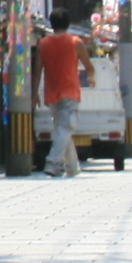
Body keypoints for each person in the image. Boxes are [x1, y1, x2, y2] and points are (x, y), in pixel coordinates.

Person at [37, 10, 87, 179]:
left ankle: (72, 167)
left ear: (51, 24)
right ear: (68, 23)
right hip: (70, 90)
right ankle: (52, 163)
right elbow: (88, 64)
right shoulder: (75, 42)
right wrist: (92, 76)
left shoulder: (43, 44)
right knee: (66, 128)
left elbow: (37, 70)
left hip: (51, 91)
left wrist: (34, 92)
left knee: (62, 129)